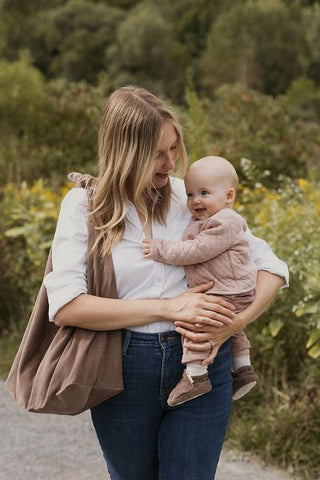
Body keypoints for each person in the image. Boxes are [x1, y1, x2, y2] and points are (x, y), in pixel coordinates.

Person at [44, 86, 289, 480]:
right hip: (122, 368)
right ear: (125, 151)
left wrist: (235, 325)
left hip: (203, 359)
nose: (171, 163)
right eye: (158, 153)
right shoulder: (84, 206)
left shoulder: (189, 196)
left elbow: (271, 265)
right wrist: (167, 306)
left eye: (174, 148)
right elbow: (68, 306)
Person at [142, 155, 259, 407]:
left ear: (228, 196)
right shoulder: (206, 220)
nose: (196, 200)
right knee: (230, 328)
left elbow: (196, 250)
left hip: (228, 289)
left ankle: (196, 375)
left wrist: (159, 248)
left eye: (204, 193)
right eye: (190, 194)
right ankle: (243, 369)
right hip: (230, 288)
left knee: (196, 322)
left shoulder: (225, 222)